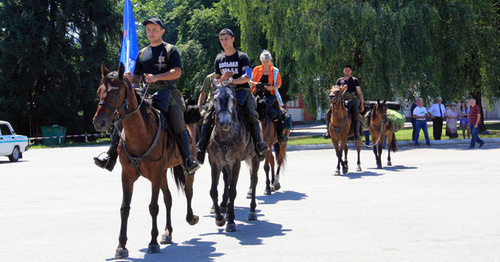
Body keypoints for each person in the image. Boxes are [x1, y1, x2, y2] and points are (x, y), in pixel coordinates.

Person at [94, 18, 200, 175]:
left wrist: (157, 77)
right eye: (148, 30)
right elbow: (137, 77)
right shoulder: (142, 53)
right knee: (124, 117)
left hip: (168, 92)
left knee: (178, 123)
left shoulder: (171, 49)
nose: (151, 32)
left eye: (154, 29)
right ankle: (110, 157)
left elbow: (177, 72)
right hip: (145, 93)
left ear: (162, 31)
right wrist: (130, 78)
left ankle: (188, 160)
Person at [196, 28, 269, 164]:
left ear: (232, 39)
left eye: (226, 39)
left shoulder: (242, 57)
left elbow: (247, 76)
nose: (224, 42)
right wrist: (222, 78)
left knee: (251, 113)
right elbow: (216, 80)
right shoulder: (219, 59)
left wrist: (233, 81)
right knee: (208, 114)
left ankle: (259, 144)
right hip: (223, 92)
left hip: (242, 90)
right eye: (221, 39)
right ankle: (200, 148)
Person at [250, 50, 287, 144]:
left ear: (270, 60)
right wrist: (257, 84)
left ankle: (280, 136)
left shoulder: (275, 71)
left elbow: (279, 84)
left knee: (279, 114)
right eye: (263, 61)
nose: (265, 63)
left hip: (271, 95)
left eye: (267, 61)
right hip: (257, 94)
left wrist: (271, 87)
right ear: (261, 61)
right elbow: (250, 81)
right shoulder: (256, 69)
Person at [323, 65, 365, 140]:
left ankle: (356, 134)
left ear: (351, 71)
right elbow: (335, 90)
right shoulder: (340, 80)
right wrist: (342, 88)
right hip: (341, 100)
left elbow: (359, 92)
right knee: (328, 113)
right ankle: (328, 131)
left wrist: (362, 104)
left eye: (348, 70)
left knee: (356, 114)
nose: (347, 71)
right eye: (346, 70)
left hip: (353, 100)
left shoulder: (355, 80)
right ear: (343, 71)